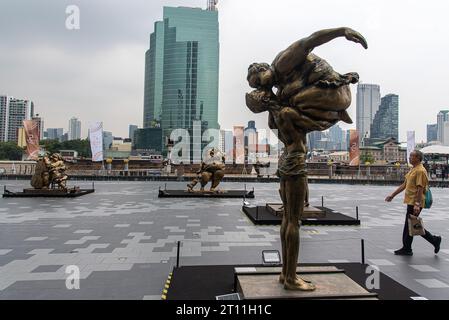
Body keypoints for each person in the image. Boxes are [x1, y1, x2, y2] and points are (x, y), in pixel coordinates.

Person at [385, 150, 442, 256]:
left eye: (412, 156)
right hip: (411, 201)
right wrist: (392, 195)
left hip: (415, 202)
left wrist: (417, 204)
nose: (410, 158)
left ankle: (408, 248)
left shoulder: (420, 170)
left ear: (418, 158)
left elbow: (420, 188)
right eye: (410, 156)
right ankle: (432, 241)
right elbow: (404, 184)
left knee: (411, 225)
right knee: (412, 225)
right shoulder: (413, 169)